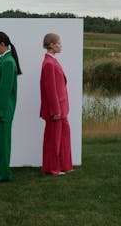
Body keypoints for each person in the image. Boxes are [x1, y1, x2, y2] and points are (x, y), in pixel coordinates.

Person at [0, 31, 22, 182]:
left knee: (1, 144)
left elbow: (4, 91)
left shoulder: (8, 62)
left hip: (2, 112)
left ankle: (3, 174)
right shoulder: (3, 59)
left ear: (2, 44)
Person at [40, 33, 73, 175]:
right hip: (56, 111)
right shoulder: (48, 63)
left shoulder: (53, 61)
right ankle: (52, 168)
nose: (61, 45)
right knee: (53, 140)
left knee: (64, 138)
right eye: (59, 43)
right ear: (51, 45)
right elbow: (50, 89)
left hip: (62, 109)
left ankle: (64, 166)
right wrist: (55, 111)